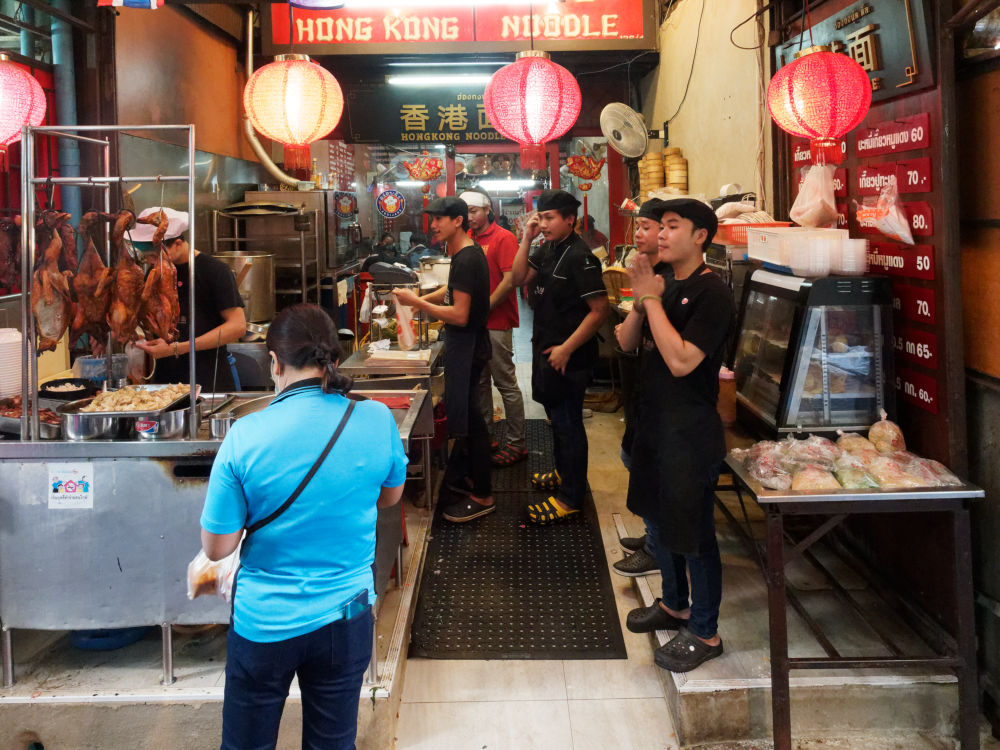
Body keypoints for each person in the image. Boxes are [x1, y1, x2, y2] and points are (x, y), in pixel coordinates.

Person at [200, 303, 407, 750]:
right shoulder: (376, 419)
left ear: (274, 362)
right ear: (331, 356)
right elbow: (389, 498)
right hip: (346, 617)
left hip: (265, 623)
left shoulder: (245, 435)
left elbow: (217, 549)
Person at [617, 198, 735, 673]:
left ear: (701, 235)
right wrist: (642, 296)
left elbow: (682, 360)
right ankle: (674, 603)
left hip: (689, 432)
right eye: (658, 227)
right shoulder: (666, 284)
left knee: (695, 535)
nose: (660, 235)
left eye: (671, 226)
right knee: (660, 522)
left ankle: (705, 631)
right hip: (654, 424)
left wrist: (649, 297)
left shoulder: (713, 293)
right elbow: (627, 344)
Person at [510, 189, 610, 525]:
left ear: (571, 219)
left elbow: (599, 310)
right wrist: (527, 236)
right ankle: (562, 474)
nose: (544, 222)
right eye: (541, 216)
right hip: (546, 350)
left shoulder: (582, 257)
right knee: (555, 419)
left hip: (571, 357)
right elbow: (518, 277)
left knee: (569, 426)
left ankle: (570, 498)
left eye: (551, 217)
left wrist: (567, 347)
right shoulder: (549, 248)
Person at [392, 197, 493, 523]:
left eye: (439, 219)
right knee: (466, 417)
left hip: (468, 343)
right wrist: (418, 298)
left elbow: (460, 314)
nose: (433, 225)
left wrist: (417, 303)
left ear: (459, 221)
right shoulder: (466, 253)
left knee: (473, 422)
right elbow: (451, 293)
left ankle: (483, 493)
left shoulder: (465, 259)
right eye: (432, 219)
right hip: (468, 344)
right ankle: (468, 478)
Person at [612, 197, 670, 577]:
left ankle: (656, 548)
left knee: (650, 473)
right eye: (643, 226)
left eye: (648, 227)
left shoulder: (670, 279)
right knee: (632, 459)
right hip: (643, 389)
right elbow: (625, 341)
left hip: (665, 400)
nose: (643, 234)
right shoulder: (648, 271)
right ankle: (653, 538)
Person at [133, 207, 246, 391]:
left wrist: (178, 348)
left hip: (209, 380)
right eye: (148, 258)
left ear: (177, 243)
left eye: (155, 256)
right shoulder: (154, 274)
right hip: (165, 384)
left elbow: (237, 327)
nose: (153, 262)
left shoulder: (214, 271)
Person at [460, 188, 527, 467]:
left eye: (474, 211)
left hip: (497, 323)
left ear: (488, 210)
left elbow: (510, 280)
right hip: (475, 323)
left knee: (505, 383)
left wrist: (484, 307)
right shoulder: (468, 239)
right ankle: (487, 436)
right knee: (479, 383)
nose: (470, 217)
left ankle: (517, 442)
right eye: (466, 213)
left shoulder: (504, 238)